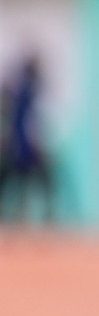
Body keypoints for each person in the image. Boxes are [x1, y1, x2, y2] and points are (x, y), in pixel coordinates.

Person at [0, 54, 54, 223]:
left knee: (22, 181)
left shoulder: (20, 93)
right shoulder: (26, 93)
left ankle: (26, 212)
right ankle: (39, 213)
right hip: (23, 147)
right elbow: (26, 123)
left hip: (19, 147)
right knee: (31, 180)